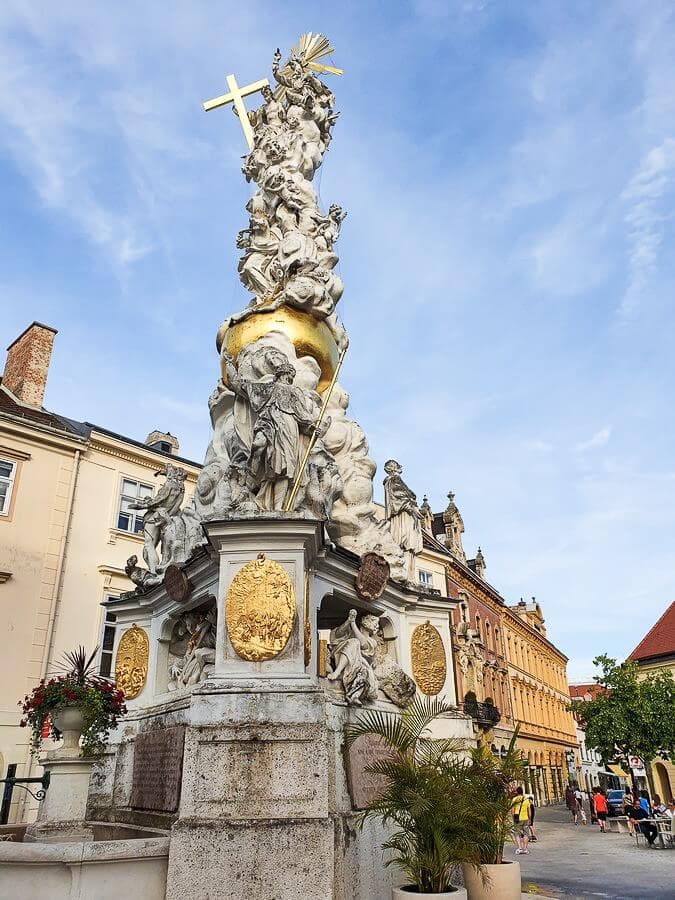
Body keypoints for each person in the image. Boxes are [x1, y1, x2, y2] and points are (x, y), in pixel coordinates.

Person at [510, 787, 532, 855]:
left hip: (517, 819)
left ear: (517, 792)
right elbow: (529, 810)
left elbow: (512, 810)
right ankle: (525, 849)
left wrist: (513, 818)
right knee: (526, 834)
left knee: (517, 833)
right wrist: (530, 819)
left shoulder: (514, 799)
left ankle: (519, 848)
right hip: (525, 818)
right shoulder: (526, 799)